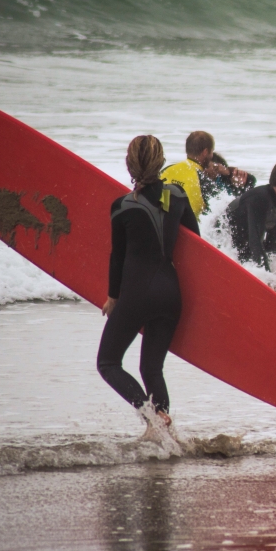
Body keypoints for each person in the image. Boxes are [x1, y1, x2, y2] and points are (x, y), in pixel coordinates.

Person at [98, 135, 199, 431]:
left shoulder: (122, 206)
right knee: (152, 368)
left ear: (129, 165)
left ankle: (150, 415)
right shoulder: (178, 196)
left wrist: (112, 296)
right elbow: (196, 244)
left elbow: (117, 257)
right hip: (171, 294)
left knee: (108, 363)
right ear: (161, 162)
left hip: (137, 294)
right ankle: (162, 434)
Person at [225, 158, 276, 271]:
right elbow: (255, 243)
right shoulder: (259, 198)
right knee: (250, 252)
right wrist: (268, 277)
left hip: (245, 246)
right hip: (223, 245)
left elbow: (272, 245)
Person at [161, 131, 249, 218]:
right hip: (189, 229)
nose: (212, 156)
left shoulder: (166, 170)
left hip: (162, 224)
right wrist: (238, 188)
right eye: (211, 151)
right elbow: (227, 210)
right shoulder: (202, 179)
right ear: (205, 152)